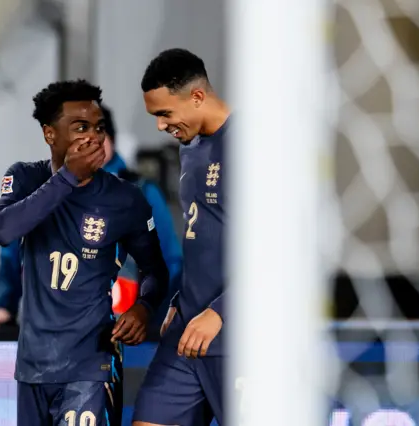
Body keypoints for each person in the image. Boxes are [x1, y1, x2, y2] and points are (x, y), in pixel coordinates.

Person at [0, 80, 169, 426]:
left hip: (91, 365)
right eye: (80, 127)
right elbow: (3, 230)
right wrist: (68, 178)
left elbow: (156, 271)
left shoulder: (126, 199)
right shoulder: (25, 178)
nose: (94, 136)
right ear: (49, 134)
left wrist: (144, 308)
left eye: (99, 127)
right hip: (32, 367)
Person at [0, 106, 183, 330]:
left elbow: (168, 261)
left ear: (111, 140)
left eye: (98, 134)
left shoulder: (140, 192)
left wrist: (153, 317)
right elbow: (12, 252)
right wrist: (4, 306)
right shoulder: (44, 189)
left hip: (122, 331)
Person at [132, 48, 230, 426]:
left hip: (236, 333)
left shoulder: (255, 147)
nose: (160, 126)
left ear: (198, 97)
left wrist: (221, 312)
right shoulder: (190, 148)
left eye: (164, 114)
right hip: (188, 327)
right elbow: (205, 234)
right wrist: (181, 294)